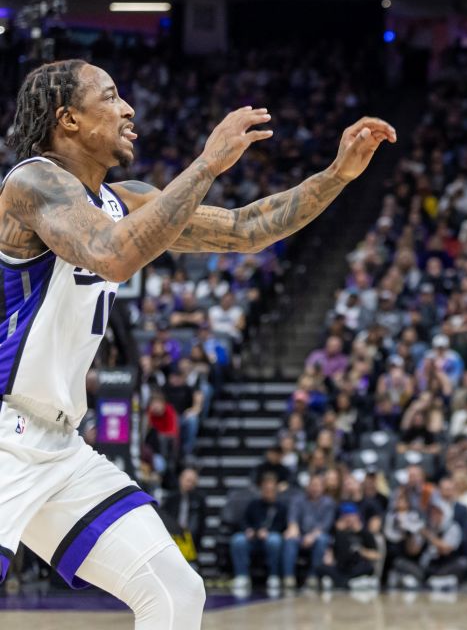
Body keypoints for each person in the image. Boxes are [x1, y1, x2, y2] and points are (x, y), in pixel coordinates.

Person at [0, 59, 394, 627]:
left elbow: (244, 230)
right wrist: (208, 162)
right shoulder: (31, 182)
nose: (128, 109)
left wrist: (336, 175)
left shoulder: (123, 199)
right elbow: (113, 255)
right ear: (69, 120)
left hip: (58, 447)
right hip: (5, 433)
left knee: (174, 590)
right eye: (110, 98)